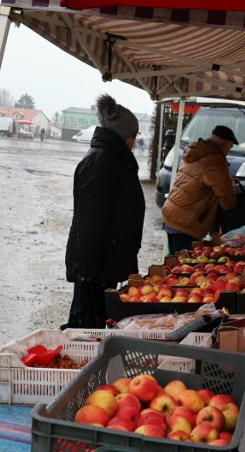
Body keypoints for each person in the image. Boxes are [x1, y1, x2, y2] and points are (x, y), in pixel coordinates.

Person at [62, 94, 145, 329]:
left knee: (98, 326)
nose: (134, 141)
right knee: (86, 329)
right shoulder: (102, 162)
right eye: (133, 136)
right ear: (123, 136)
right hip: (95, 269)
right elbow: (90, 222)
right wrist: (87, 271)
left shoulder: (113, 160)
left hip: (105, 264)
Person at [162, 125, 238, 253]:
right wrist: (231, 210)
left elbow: (200, 179)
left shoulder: (195, 151)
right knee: (183, 266)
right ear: (224, 145)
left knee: (174, 262)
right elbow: (226, 195)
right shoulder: (215, 161)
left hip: (173, 215)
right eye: (229, 148)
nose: (228, 152)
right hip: (187, 222)